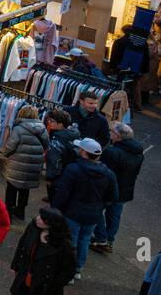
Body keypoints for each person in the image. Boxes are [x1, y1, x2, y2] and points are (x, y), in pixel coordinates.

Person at [50, 138, 117, 278]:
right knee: (84, 241)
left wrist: (55, 209)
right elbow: (112, 197)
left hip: (72, 212)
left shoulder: (73, 169)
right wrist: (99, 207)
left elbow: (63, 192)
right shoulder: (109, 174)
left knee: (70, 241)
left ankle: (67, 271)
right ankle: (77, 269)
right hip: (93, 215)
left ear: (83, 152)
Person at [90, 121, 142, 255]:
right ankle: (109, 240)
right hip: (125, 190)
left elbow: (104, 173)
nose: (109, 133)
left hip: (108, 190)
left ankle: (101, 239)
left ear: (118, 136)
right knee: (114, 216)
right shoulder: (138, 153)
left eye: (111, 131)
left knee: (96, 211)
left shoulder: (112, 152)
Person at [1, 104, 49, 221]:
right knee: (25, 189)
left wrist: (5, 154)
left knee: (11, 188)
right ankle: (20, 211)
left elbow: (11, 147)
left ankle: (9, 213)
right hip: (33, 164)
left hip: (17, 164)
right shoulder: (42, 128)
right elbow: (46, 145)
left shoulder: (18, 129)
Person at [43, 108, 79, 203]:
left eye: (52, 121)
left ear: (60, 124)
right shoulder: (74, 134)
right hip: (70, 176)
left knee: (55, 204)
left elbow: (54, 162)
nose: (49, 122)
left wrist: (50, 178)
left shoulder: (57, 142)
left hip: (58, 180)